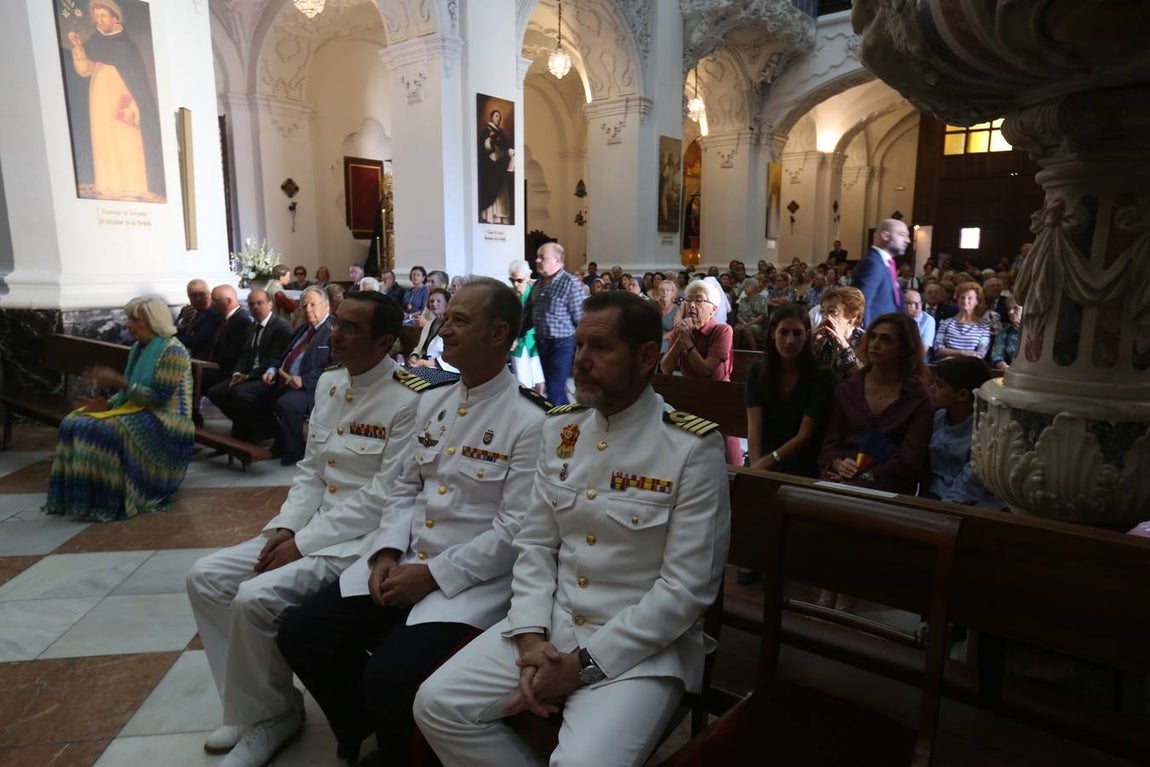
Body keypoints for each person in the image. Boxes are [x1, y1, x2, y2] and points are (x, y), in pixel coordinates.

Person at [414, 291, 731, 767]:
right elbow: (536, 544)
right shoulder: (562, 431)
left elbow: (685, 592)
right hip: (553, 626)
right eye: (579, 345)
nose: (581, 360)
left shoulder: (689, 447)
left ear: (646, 356)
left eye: (599, 348)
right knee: (436, 704)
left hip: (641, 649)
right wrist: (529, 637)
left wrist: (582, 666)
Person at [275, 278, 547, 767]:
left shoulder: (531, 421)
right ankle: (366, 729)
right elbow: (403, 488)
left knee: (392, 677)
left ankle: (402, 751)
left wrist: (432, 576)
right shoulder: (433, 400)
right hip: (402, 557)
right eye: (447, 317)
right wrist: (384, 552)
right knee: (300, 633)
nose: (444, 327)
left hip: (467, 582)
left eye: (460, 320)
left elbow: (515, 532)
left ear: (499, 332)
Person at [185, 292, 424, 766]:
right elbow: (312, 471)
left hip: (361, 541)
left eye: (351, 328)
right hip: (310, 526)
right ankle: (252, 707)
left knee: (255, 599)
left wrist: (303, 543)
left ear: (385, 342)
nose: (335, 334)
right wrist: (284, 527)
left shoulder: (408, 398)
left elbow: (383, 496)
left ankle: (271, 720)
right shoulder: (331, 384)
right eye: (337, 323)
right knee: (205, 577)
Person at [44, 295, 193, 521]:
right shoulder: (138, 349)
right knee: (73, 421)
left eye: (135, 320)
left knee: (104, 430)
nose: (128, 325)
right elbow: (127, 394)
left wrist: (118, 381)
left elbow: (159, 399)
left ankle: (110, 500)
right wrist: (107, 404)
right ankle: (83, 498)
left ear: (154, 321)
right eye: (128, 319)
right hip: (139, 408)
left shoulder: (173, 351)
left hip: (167, 419)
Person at [818, 312, 934, 495]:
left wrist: (864, 477)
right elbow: (830, 443)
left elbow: (911, 458)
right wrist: (837, 463)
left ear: (904, 349)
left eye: (886, 340)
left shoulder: (918, 397)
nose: (875, 344)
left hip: (889, 487)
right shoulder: (847, 389)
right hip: (839, 480)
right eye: (872, 337)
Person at [66, 1, 164, 201]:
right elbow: (84, 70)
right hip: (99, 102)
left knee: (127, 140)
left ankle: (134, 186)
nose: (100, 20)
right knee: (105, 141)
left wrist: (136, 102)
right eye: (97, 17)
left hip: (124, 100)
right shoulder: (93, 43)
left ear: (115, 18)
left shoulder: (126, 46)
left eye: (103, 15)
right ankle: (109, 186)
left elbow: (138, 81)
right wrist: (78, 48)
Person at [228, 287, 333, 464]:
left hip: (310, 387)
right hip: (282, 379)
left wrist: (304, 380)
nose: (307, 309)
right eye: (304, 305)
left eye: (313, 304)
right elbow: (282, 355)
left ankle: (294, 451)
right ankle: (277, 434)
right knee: (242, 393)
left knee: (286, 404)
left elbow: (335, 367)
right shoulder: (302, 329)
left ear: (326, 307)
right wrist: (272, 370)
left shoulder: (333, 332)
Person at [745, 304, 836, 478]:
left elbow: (805, 435)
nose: (790, 341)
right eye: (783, 332)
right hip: (762, 457)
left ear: (807, 335)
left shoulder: (822, 376)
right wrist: (755, 467)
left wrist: (769, 461)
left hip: (802, 462)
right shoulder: (756, 371)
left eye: (797, 333)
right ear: (773, 333)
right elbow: (754, 426)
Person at [661, 279, 741, 465]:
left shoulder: (722, 330)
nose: (691, 305)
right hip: (690, 399)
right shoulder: (681, 331)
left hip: (719, 400)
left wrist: (688, 345)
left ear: (713, 309)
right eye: (688, 300)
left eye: (698, 300)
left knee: (727, 463)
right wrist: (680, 341)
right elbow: (665, 368)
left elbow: (706, 371)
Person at [923, 357, 1004, 509]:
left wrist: (942, 508)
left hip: (974, 504)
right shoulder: (938, 418)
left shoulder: (985, 430)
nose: (931, 388)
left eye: (939, 385)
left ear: (962, 395)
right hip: (935, 494)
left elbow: (972, 481)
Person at [207, 289, 292, 421]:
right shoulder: (251, 327)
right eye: (251, 304)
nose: (255, 307)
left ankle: (266, 427)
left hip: (267, 377)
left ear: (270, 305)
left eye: (259, 303)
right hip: (248, 375)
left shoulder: (281, 327)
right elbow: (244, 355)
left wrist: (248, 377)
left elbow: (275, 360)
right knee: (215, 392)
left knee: (240, 392)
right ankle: (243, 424)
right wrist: (237, 373)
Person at [524, 241, 582, 406]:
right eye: (537, 257)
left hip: (562, 343)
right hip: (542, 342)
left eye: (542, 257)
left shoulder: (570, 284)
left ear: (557, 261)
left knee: (555, 388)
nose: (537, 260)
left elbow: (581, 318)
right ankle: (562, 419)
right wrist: (517, 334)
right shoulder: (537, 284)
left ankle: (559, 424)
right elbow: (528, 313)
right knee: (552, 385)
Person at [853, 219, 909, 327]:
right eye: (902, 235)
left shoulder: (885, 263)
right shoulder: (873, 263)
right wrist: (867, 337)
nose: (908, 240)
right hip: (876, 335)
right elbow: (862, 303)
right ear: (885, 235)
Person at [201, 285, 252, 393]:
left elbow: (232, 355)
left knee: (197, 375)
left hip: (229, 370)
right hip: (217, 365)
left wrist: (212, 361)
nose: (212, 304)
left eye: (215, 300)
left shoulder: (241, 321)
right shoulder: (224, 318)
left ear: (228, 301)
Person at [812, 286, 867, 381]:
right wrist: (812, 345)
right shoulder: (824, 340)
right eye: (823, 312)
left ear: (853, 315)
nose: (826, 318)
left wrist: (844, 346)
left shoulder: (866, 341)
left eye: (832, 311)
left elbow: (865, 380)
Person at [508, 259, 545, 392]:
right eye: (512, 280)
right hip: (517, 344)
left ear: (528, 277)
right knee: (522, 381)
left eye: (519, 280)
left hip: (534, 340)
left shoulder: (536, 293)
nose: (516, 284)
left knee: (539, 378)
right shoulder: (510, 295)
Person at [934, 281, 993, 361]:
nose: (965, 301)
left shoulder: (983, 325)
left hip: (971, 367)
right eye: (962, 297)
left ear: (977, 301)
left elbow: (981, 353)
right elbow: (938, 350)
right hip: (946, 366)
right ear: (957, 300)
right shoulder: (946, 323)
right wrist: (963, 353)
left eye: (970, 298)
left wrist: (952, 354)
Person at [478, 108, 515, 225]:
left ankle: (500, 215)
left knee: (502, 190)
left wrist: (510, 152)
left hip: (500, 166)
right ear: (491, 118)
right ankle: (491, 215)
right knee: (493, 189)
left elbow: (506, 146)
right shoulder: (487, 131)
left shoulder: (500, 133)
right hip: (491, 166)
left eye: (499, 117)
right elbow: (485, 148)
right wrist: (489, 140)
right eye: (496, 116)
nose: (498, 119)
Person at [407, 287, 456, 372]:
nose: (434, 304)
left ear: (447, 303)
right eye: (431, 301)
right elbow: (419, 348)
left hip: (443, 370)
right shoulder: (429, 324)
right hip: (423, 366)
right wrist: (414, 356)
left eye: (438, 301)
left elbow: (453, 356)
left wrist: (425, 363)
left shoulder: (453, 326)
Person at [176, 279, 221, 360]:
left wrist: (171, 340)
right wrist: (183, 322)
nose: (198, 298)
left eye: (202, 294)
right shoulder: (187, 311)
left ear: (210, 294)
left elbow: (198, 340)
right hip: (180, 355)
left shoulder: (215, 312)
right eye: (193, 295)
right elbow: (172, 331)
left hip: (201, 360)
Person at [734, 279, 768, 350]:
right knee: (736, 330)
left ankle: (753, 352)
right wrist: (743, 322)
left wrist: (749, 323)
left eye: (747, 286)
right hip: (743, 323)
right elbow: (738, 315)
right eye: (744, 287)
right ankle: (735, 352)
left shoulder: (761, 299)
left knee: (747, 330)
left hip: (756, 324)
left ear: (754, 287)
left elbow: (762, 316)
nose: (745, 288)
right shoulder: (742, 300)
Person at [991, 296, 1022, 370]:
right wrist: (1004, 366)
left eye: (1015, 308)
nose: (1010, 312)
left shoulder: (1036, 332)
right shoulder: (1004, 332)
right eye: (1009, 309)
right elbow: (996, 356)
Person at [905, 289, 936, 356]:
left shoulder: (928, 320)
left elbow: (923, 351)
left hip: (917, 361)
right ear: (904, 304)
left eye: (919, 302)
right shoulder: (896, 319)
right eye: (913, 303)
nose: (918, 307)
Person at [655, 279, 680, 355]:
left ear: (672, 293)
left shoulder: (676, 309)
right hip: (653, 338)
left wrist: (662, 337)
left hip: (668, 339)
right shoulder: (653, 306)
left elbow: (676, 330)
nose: (665, 293)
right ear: (659, 292)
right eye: (662, 290)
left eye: (668, 290)